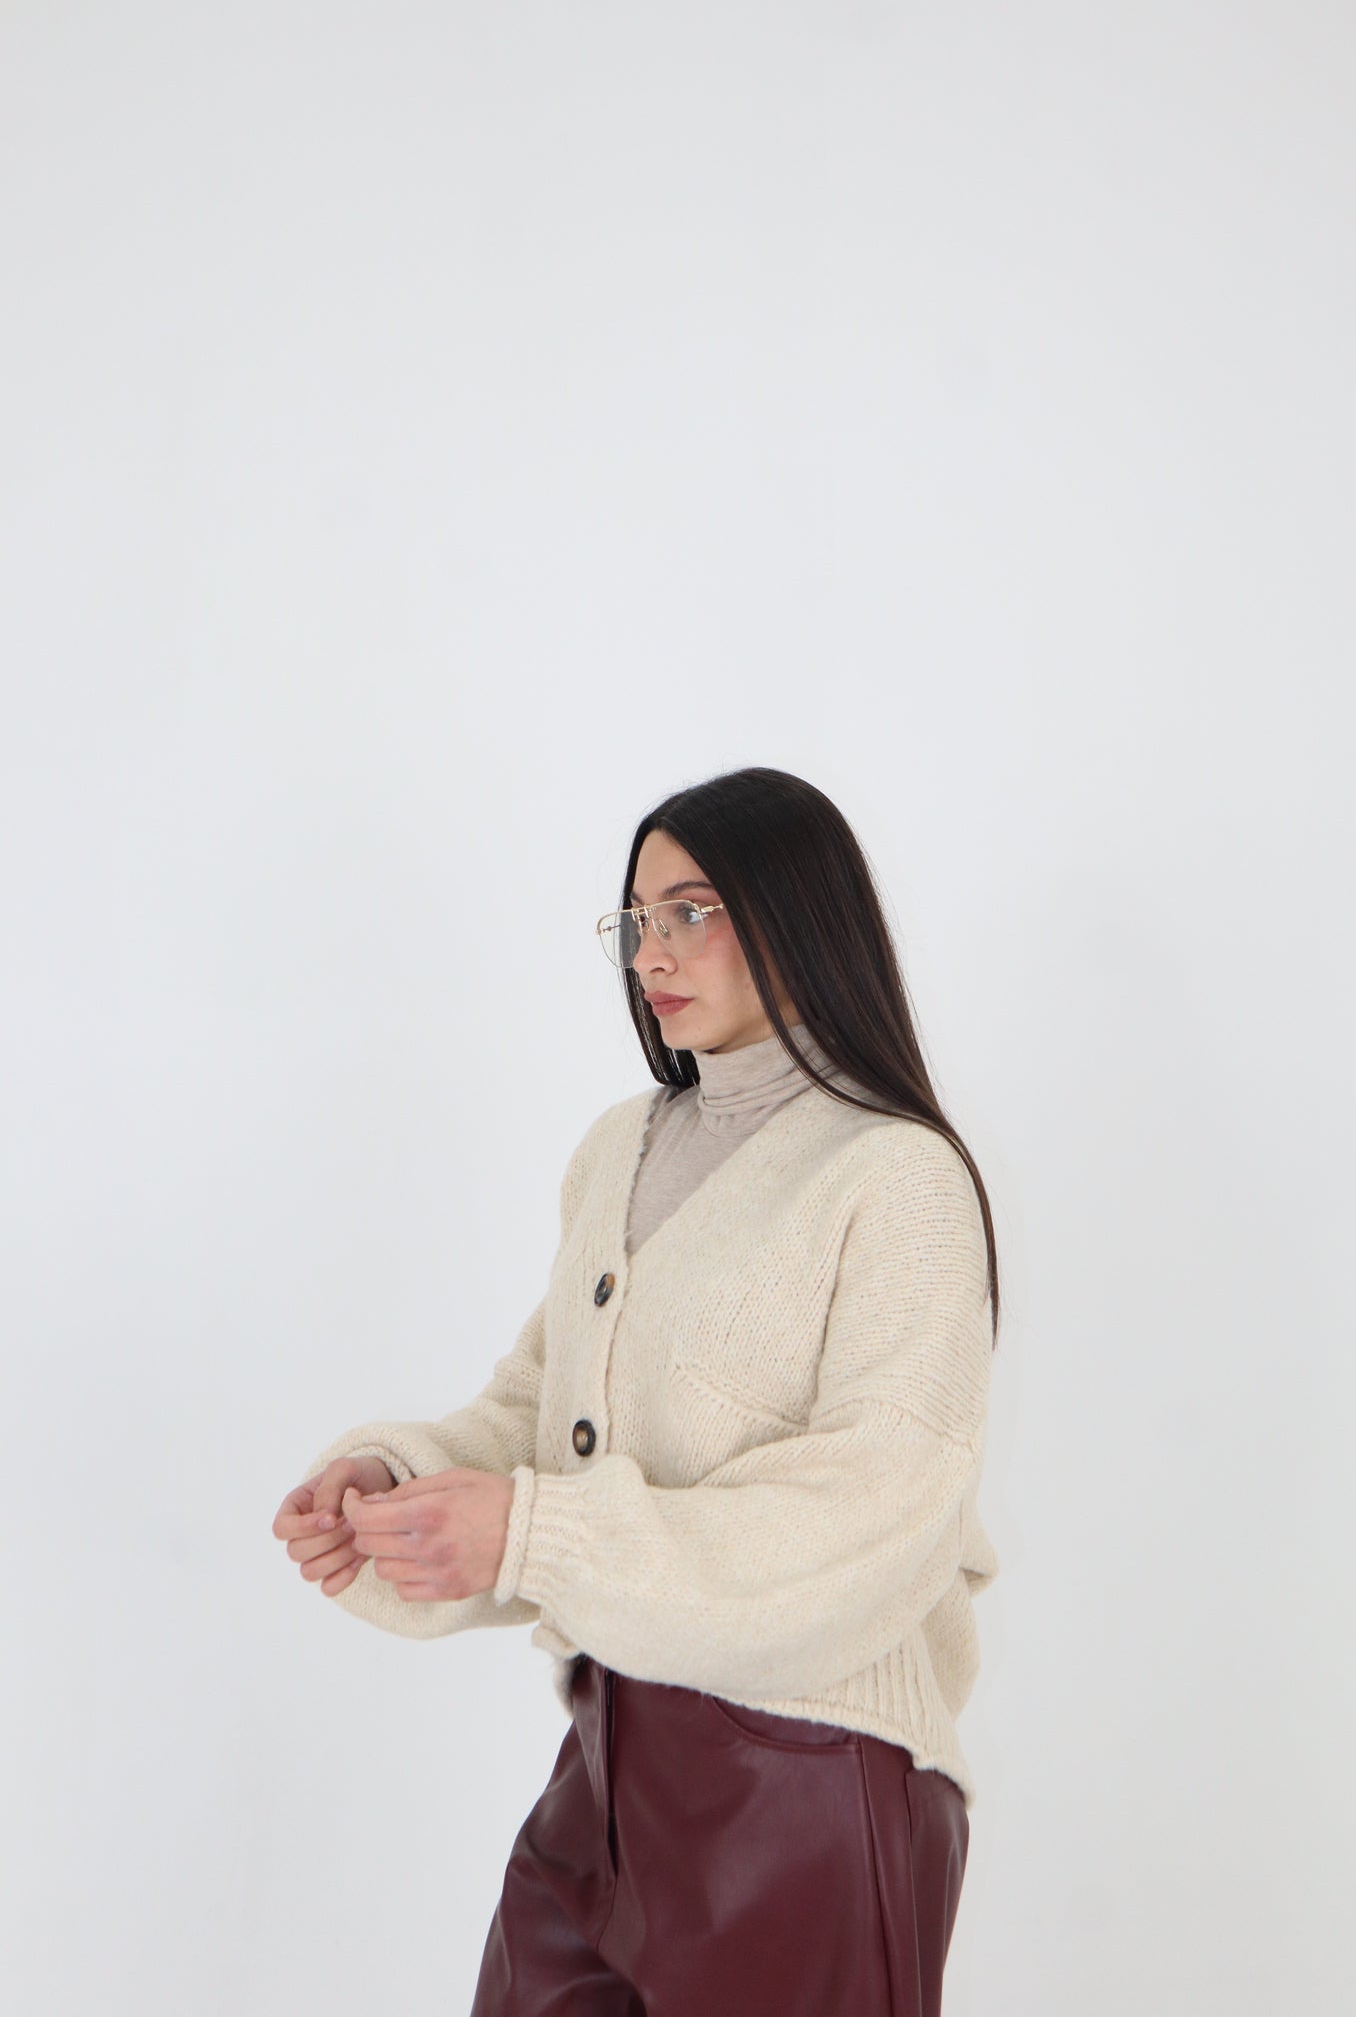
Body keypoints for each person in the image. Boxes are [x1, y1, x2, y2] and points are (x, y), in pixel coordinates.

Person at [272, 765, 1002, 2017]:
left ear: (798, 914)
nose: (651, 951)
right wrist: (397, 1480)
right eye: (636, 918)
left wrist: (533, 1531)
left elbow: (881, 1501)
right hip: (609, 1755)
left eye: (692, 911)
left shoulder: (897, 1177)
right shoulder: (624, 1146)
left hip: (810, 1776)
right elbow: (539, 1404)